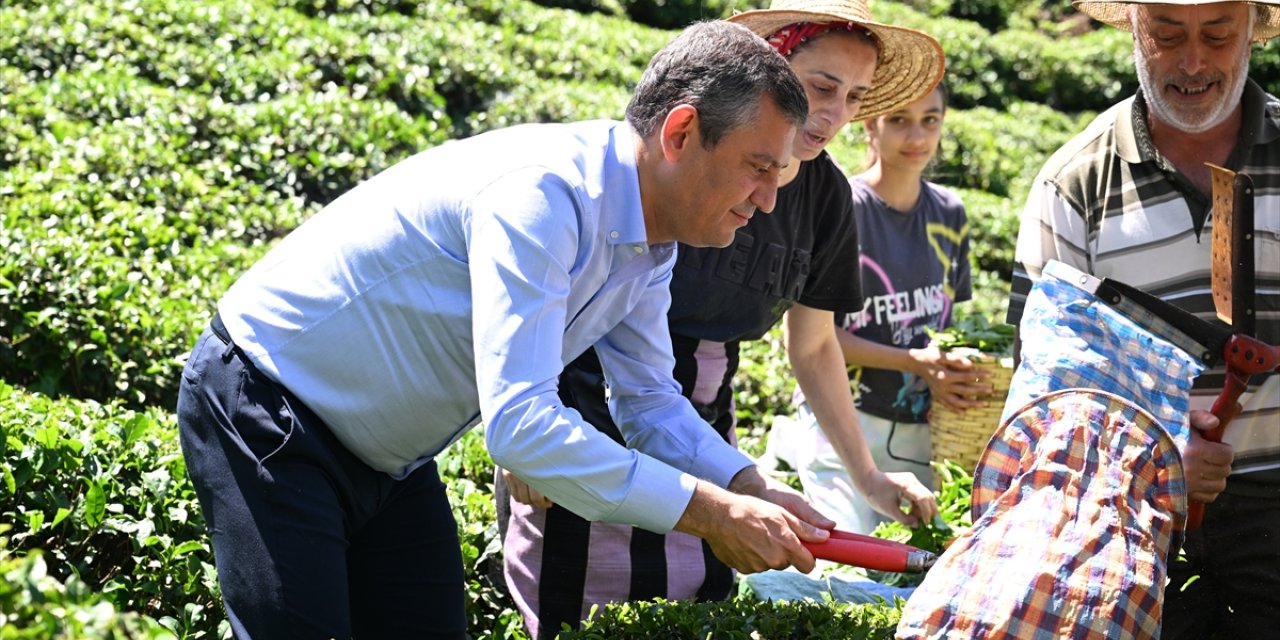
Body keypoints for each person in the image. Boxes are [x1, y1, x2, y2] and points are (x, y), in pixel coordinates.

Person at [175, 20, 842, 640]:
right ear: (680, 133)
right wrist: (711, 514)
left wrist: (746, 486)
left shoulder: (651, 243)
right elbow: (519, 426)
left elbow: (647, 401)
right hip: (269, 403)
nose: (768, 200)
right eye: (759, 168)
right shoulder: (542, 198)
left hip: (388, 455)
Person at [497, 2, 946, 637]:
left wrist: (865, 476)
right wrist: (533, 435)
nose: (837, 113)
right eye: (821, 87)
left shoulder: (825, 196)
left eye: (855, 96)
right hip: (586, 399)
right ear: (773, 74)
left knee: (696, 596)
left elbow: (815, 347)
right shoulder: (674, 169)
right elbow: (565, 304)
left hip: (698, 413)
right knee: (582, 604)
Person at [1007, 1, 1280, 636]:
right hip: (1132, 528)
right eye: (1167, 34)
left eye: (1216, 35)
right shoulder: (1072, 185)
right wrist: (1154, 456)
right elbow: (1042, 393)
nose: (1192, 62)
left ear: (1251, 33)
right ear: (1134, 27)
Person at [787, 82, 988, 534]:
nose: (916, 137)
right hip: (844, 417)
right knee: (845, 562)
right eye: (899, 120)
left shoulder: (949, 213)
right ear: (870, 126)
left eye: (929, 121)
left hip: (917, 427)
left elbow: (948, 323)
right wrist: (914, 361)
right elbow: (817, 339)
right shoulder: (843, 207)